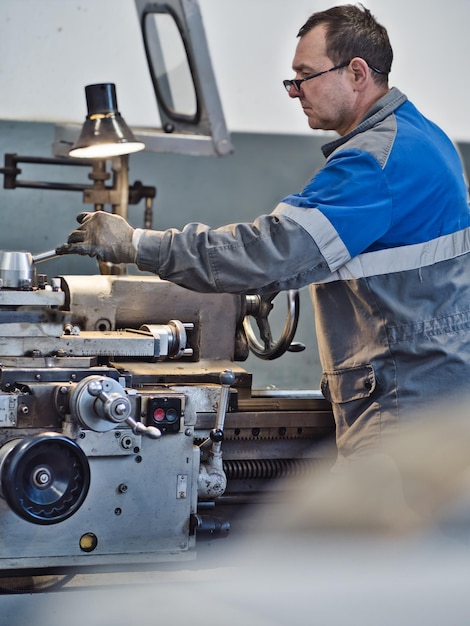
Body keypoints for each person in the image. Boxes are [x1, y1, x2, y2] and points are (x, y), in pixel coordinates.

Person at [57, 4, 470, 463]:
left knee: (389, 535)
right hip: (429, 392)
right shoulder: (426, 138)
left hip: (403, 409)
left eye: (305, 76)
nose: (294, 91)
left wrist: (137, 244)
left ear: (356, 73)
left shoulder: (376, 160)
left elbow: (271, 251)